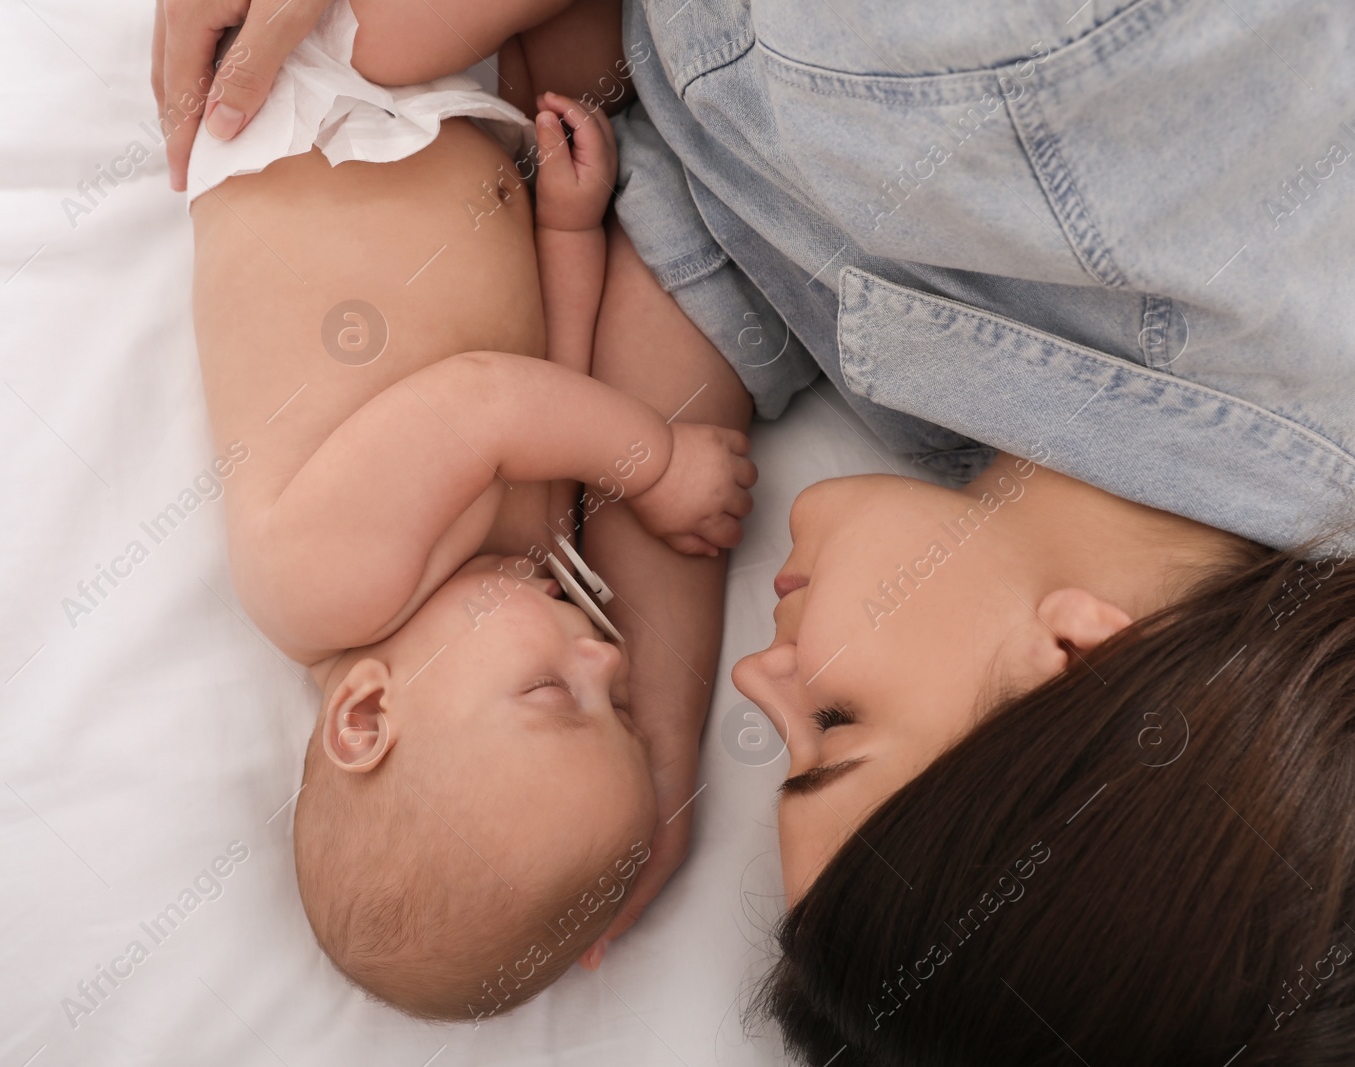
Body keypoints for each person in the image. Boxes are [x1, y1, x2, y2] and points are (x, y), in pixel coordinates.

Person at [160, 0, 1355, 1057]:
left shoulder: (1026, 471)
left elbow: (714, 256)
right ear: (1072, 656)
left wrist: (653, 727)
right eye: (831, 726)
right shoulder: (1094, 88)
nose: (754, 674)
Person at [184, 0, 754, 1021]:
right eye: (619, 707)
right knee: (604, 70)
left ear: (367, 714)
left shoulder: (320, 586)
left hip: (323, 106)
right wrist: (569, 229)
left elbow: (486, 400)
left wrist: (654, 459)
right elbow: (555, 373)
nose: (605, 656)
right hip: (472, 134)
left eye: (550, 693)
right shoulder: (517, 578)